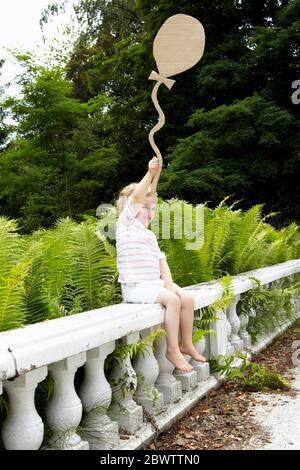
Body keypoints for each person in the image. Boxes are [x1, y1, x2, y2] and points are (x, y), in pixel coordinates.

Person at [115, 156, 206, 372]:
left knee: (186, 298)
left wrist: (169, 282)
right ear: (130, 207)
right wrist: (150, 174)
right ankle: (172, 350)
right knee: (173, 301)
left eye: (153, 209)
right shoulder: (124, 224)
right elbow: (137, 196)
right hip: (135, 288)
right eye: (145, 208)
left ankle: (186, 343)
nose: (150, 213)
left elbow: (160, 259)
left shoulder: (148, 235)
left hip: (153, 284)